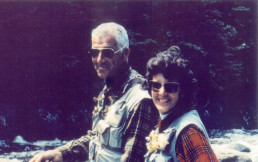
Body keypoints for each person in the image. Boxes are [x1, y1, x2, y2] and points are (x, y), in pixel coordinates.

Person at [29, 22, 158, 162]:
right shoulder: (109, 90)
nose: (99, 59)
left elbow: (132, 159)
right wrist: (60, 153)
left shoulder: (140, 100)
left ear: (125, 53)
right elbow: (96, 139)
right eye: (94, 53)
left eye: (107, 53)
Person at [144, 46, 218, 162]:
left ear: (182, 91)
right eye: (156, 85)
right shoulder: (167, 122)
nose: (162, 92)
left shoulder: (189, 132)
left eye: (170, 87)